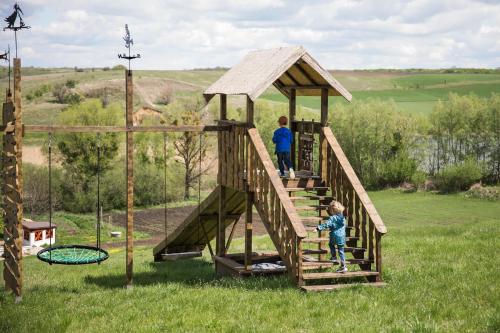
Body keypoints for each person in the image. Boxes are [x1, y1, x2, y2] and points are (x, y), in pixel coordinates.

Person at [316, 201, 348, 273]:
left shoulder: (333, 218)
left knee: (331, 244)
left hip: (334, 235)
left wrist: (318, 228)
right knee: (341, 251)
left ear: (332, 210)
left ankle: (334, 257)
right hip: (342, 236)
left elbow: (327, 224)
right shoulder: (343, 218)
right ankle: (343, 266)